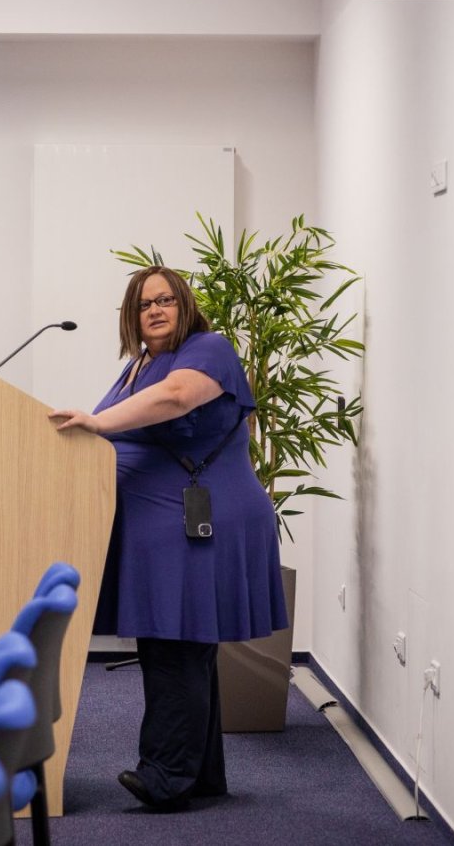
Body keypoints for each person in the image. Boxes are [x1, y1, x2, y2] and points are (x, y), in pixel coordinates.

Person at [50, 266, 289, 812]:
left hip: (197, 522)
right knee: (182, 644)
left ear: (185, 305)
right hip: (162, 525)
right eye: (143, 304)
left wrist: (97, 423)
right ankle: (201, 775)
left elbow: (177, 399)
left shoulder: (208, 350)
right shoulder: (138, 364)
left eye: (165, 300)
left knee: (174, 642)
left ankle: (165, 774)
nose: (154, 311)